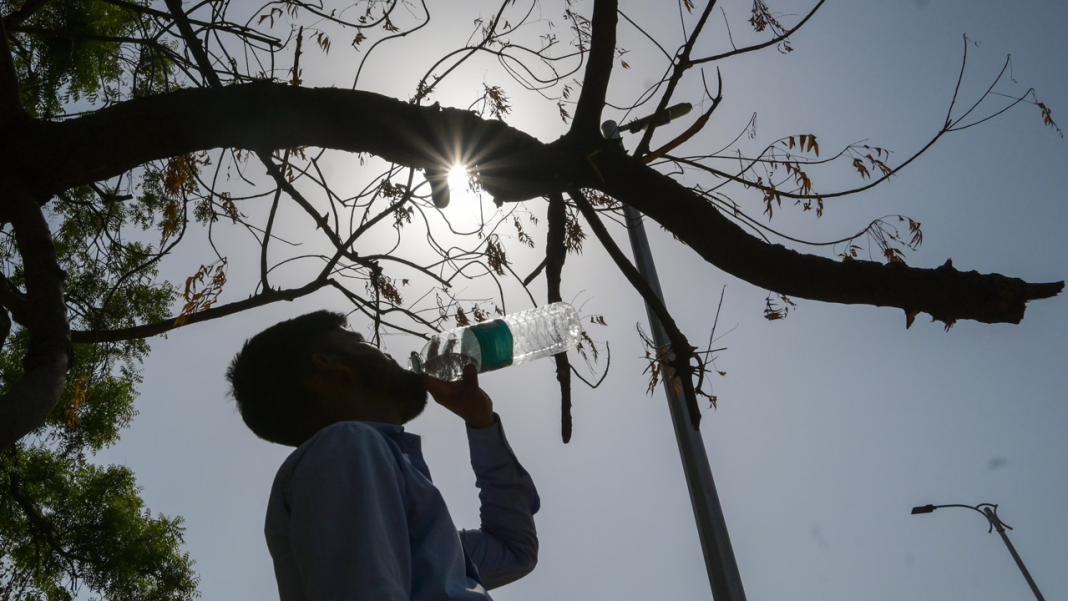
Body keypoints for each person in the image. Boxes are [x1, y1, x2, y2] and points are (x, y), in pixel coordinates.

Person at [225, 310, 540, 600]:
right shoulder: (347, 446)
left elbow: (514, 550)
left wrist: (481, 422)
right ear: (329, 365)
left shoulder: (384, 487)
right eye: (360, 341)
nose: (385, 351)